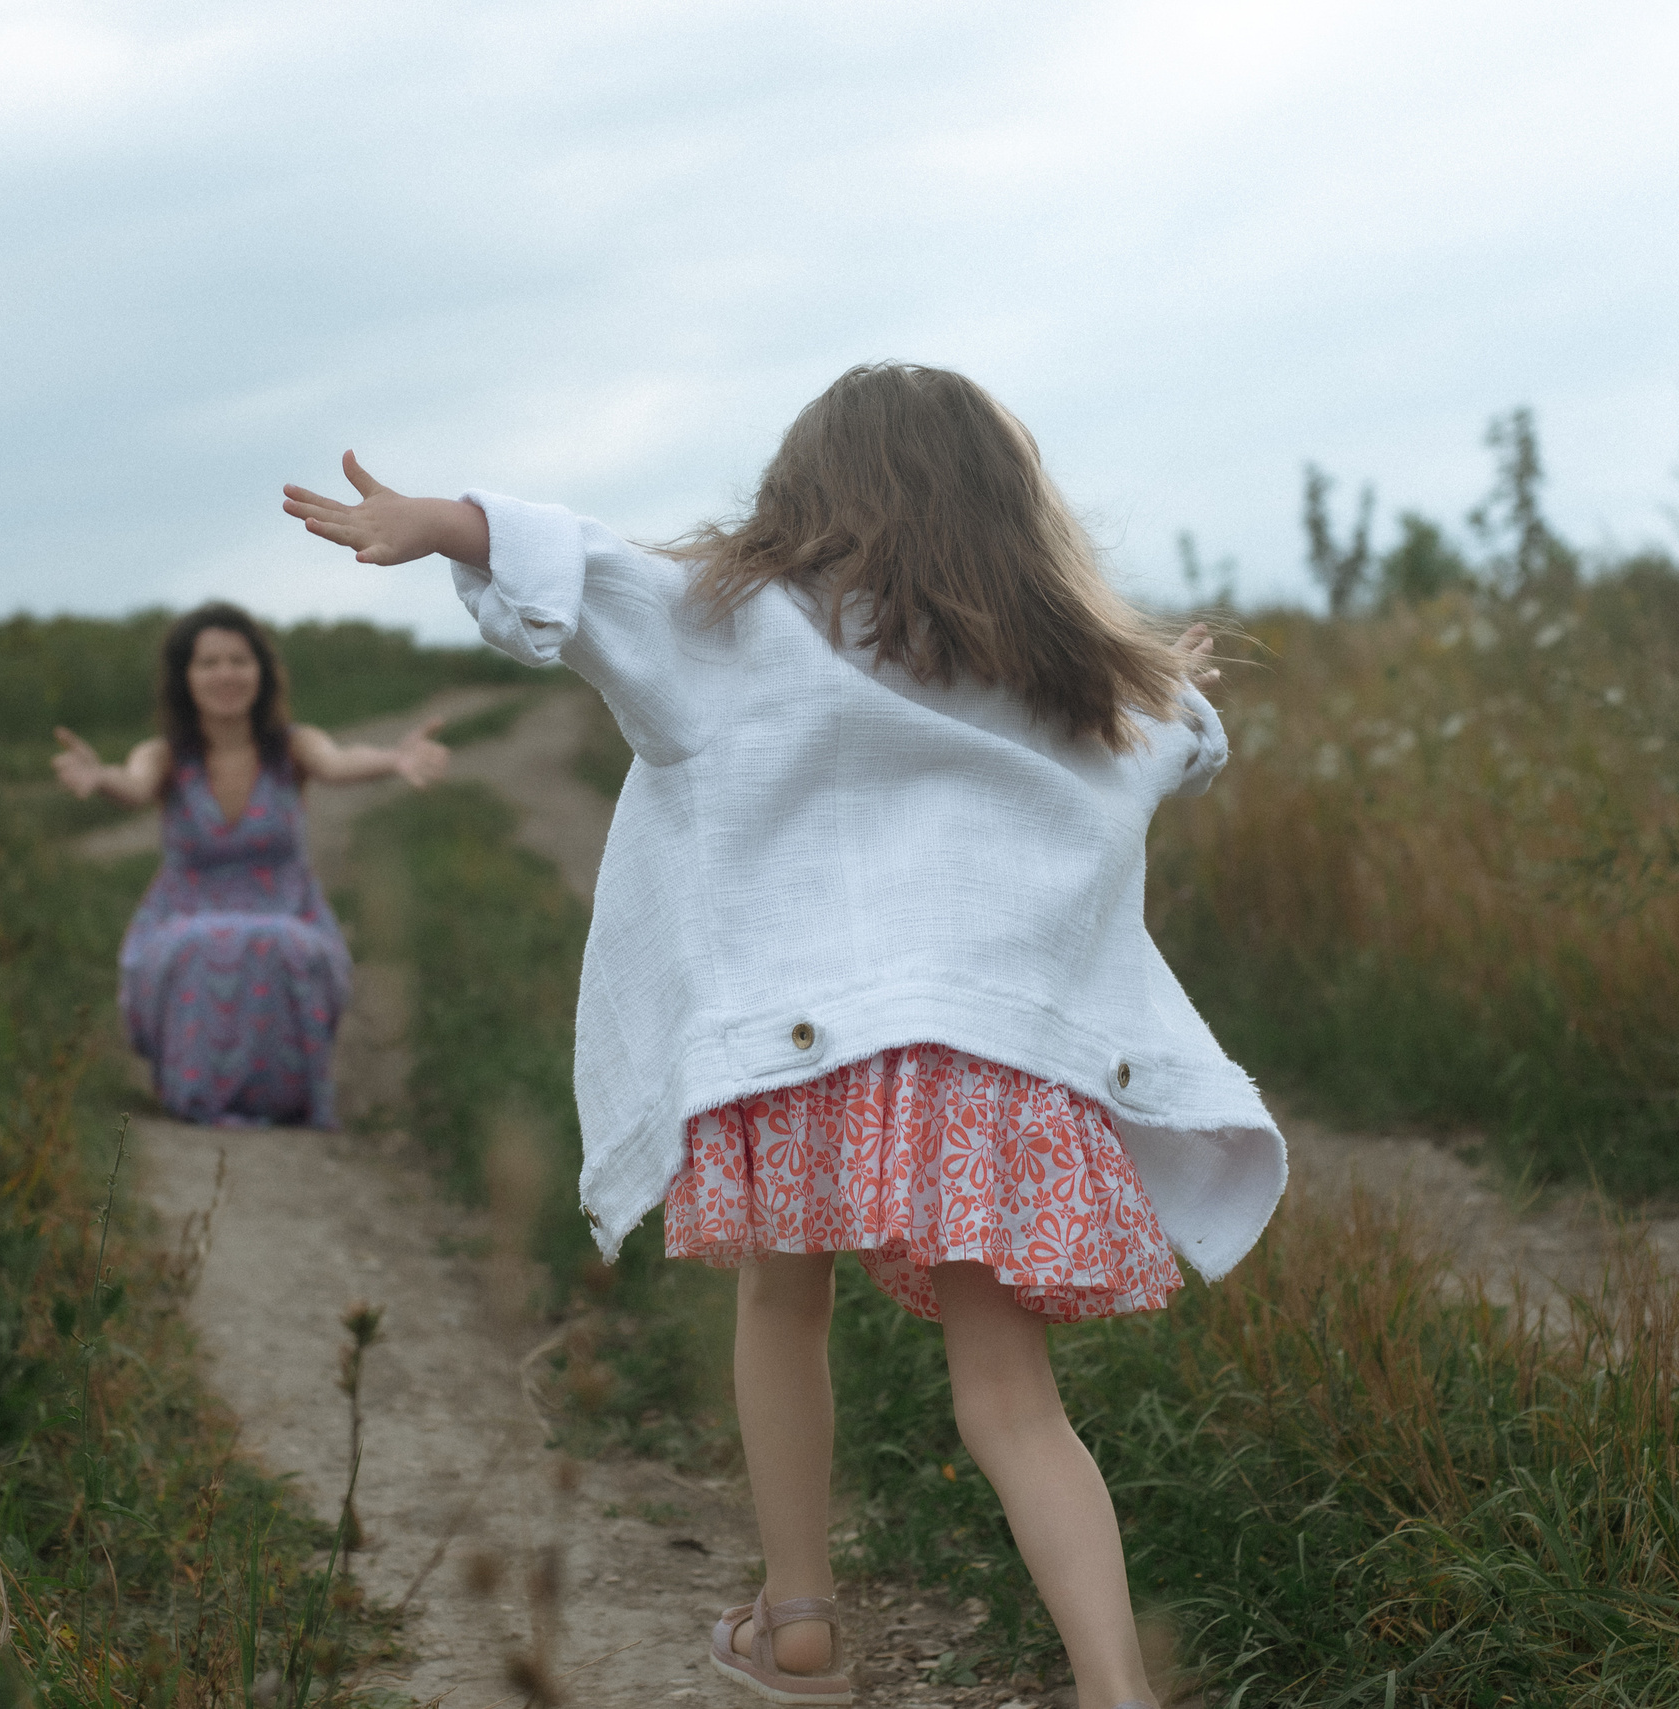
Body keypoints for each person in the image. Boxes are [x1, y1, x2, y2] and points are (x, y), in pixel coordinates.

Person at [282, 364, 1284, 1709]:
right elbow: (1182, 737)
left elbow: (591, 570)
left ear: (808, 493)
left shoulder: (744, 628)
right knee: (1011, 1400)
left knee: (781, 1300)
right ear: (1006, 507)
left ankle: (801, 1624)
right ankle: (1116, 1689)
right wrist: (1157, 680)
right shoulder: (1064, 674)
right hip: (997, 1069)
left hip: (806, 1052)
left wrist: (449, 521)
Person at [51, 602, 449, 1129]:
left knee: (284, 943)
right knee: (194, 944)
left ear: (262, 672)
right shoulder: (166, 755)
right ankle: (193, 1097)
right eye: (208, 662)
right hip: (181, 912)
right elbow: (134, 785)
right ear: (184, 678)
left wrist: (395, 761)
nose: (225, 674)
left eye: (239, 660)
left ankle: (284, 1098)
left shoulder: (293, 747)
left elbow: (339, 762)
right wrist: (99, 778)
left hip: (287, 908)